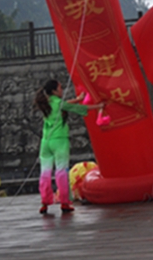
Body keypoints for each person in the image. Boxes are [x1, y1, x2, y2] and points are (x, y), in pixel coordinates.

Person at [34, 80, 104, 215]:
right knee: (61, 171)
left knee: (45, 173)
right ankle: (65, 202)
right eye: (60, 88)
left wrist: (77, 99)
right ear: (54, 91)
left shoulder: (46, 103)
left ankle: (44, 202)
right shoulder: (59, 104)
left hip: (45, 143)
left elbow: (64, 105)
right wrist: (98, 106)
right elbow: (77, 109)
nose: (62, 90)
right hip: (60, 141)